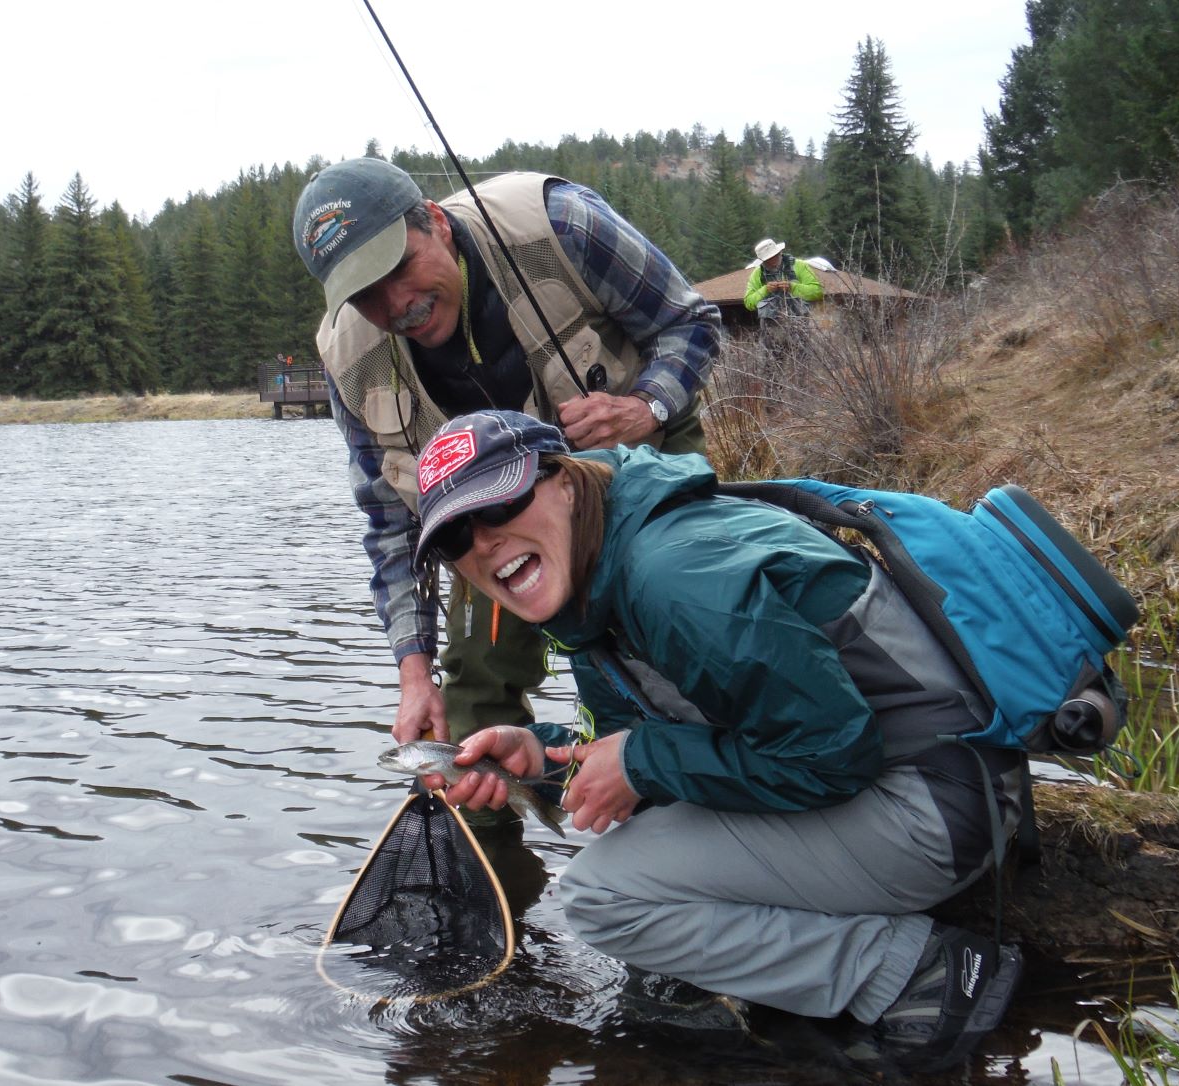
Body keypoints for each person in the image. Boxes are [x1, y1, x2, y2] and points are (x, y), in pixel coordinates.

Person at [407, 408, 1027, 1068]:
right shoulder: (600, 574)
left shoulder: (672, 574)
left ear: (563, 480)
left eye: (500, 503)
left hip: (934, 805)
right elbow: (650, 751)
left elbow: (834, 753)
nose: (481, 542)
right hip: (920, 781)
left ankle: (909, 972)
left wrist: (643, 762)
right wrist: (540, 761)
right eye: (453, 540)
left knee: (600, 899)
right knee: (635, 840)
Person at [291, 158, 722, 792]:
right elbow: (389, 525)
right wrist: (414, 671)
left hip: (635, 474)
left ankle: (713, 794)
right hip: (487, 525)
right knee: (471, 721)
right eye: (365, 294)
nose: (396, 305)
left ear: (435, 221)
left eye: (399, 269)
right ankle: (507, 867)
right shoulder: (348, 357)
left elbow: (690, 323)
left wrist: (644, 406)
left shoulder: (556, 223)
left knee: (692, 652)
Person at [743, 237, 822, 330]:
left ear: (779, 253)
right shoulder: (757, 274)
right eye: (768, 260)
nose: (772, 262)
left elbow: (818, 292)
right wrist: (765, 290)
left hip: (800, 326)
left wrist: (792, 287)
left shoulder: (799, 265)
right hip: (770, 330)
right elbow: (749, 303)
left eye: (774, 257)